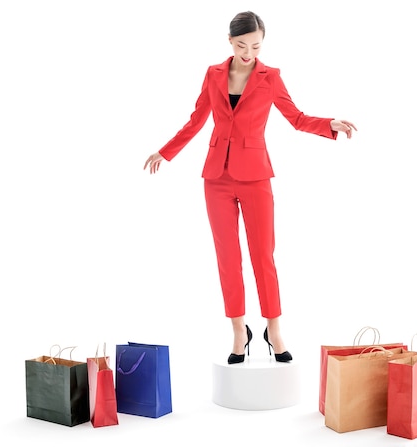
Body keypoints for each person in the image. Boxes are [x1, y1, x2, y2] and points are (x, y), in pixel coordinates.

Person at [144, 11, 357, 364]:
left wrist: (329, 124)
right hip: (216, 179)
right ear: (230, 41)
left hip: (256, 176)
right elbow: (196, 120)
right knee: (228, 259)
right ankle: (238, 332)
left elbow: (296, 118)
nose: (249, 52)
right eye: (242, 45)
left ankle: (274, 330)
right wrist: (165, 152)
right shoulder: (213, 74)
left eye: (256, 46)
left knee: (263, 256)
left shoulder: (270, 77)